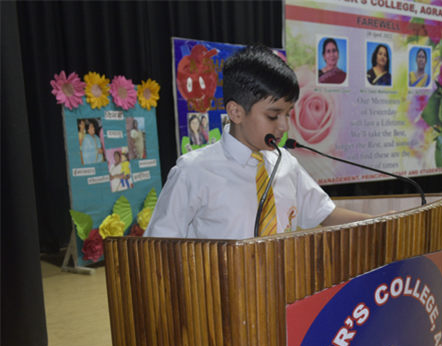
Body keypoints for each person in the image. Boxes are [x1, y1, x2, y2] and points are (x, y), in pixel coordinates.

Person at [145, 45, 373, 240]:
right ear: (235, 112)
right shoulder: (192, 172)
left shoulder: (286, 164)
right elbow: (158, 246)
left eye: (287, 114)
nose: (284, 126)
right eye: (273, 116)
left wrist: (381, 222)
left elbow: (327, 214)